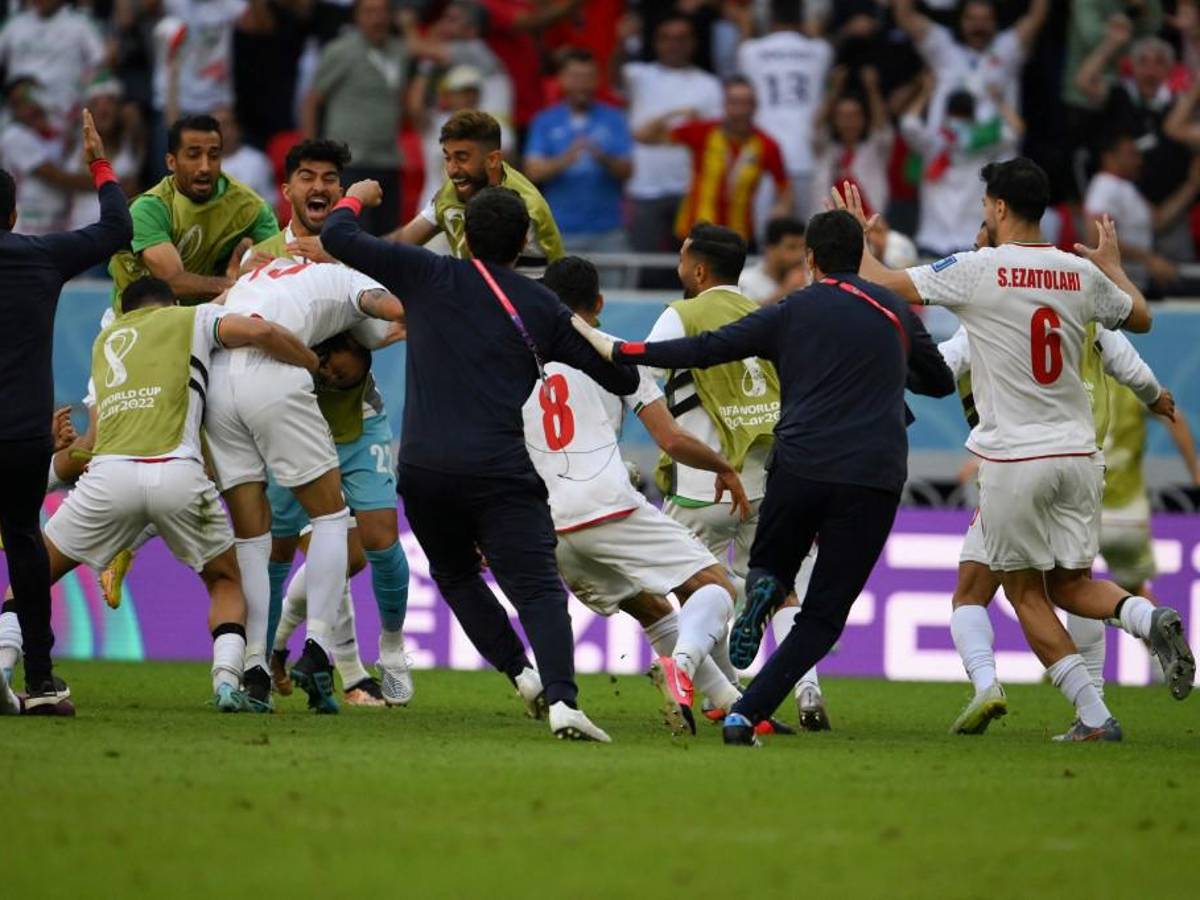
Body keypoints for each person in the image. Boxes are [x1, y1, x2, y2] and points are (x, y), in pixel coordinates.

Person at [571, 209, 955, 746]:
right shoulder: (893, 310)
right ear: (860, 257)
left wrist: (624, 349)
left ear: (811, 259)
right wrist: (886, 360)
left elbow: (708, 350)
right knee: (819, 614)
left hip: (795, 465)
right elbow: (937, 383)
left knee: (754, 574)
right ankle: (751, 709)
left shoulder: (791, 309)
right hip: (873, 474)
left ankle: (751, 611)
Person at [848, 159, 1195, 740]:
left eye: (986, 203)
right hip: (1079, 457)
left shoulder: (978, 269)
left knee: (1024, 593)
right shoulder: (1075, 272)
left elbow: (883, 284)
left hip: (1015, 458)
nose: (983, 211)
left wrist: (856, 239)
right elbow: (1142, 318)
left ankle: (1094, 716)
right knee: (1072, 585)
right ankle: (1146, 615)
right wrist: (1114, 269)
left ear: (1000, 208)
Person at [321, 182, 641, 742]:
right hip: (498, 471)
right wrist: (574, 330)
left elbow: (337, 235)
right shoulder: (540, 305)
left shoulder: (425, 273)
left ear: (462, 236)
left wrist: (356, 195)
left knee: (456, 574)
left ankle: (521, 675)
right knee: (538, 589)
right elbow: (623, 377)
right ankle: (564, 702)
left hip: (423, 470)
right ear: (522, 243)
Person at [8, 276, 319, 718]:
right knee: (226, 581)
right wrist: (309, 362)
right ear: (170, 302)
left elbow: (89, 447)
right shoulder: (190, 317)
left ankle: (3, 667)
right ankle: (228, 682)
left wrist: (66, 451)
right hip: (177, 472)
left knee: (30, 573)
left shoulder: (105, 342)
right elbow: (262, 332)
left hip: (108, 477)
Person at [526, 256, 773, 737]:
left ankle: (730, 702)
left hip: (550, 525)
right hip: (606, 506)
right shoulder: (616, 355)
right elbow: (672, 439)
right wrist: (724, 465)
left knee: (652, 609)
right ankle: (679, 665)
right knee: (713, 588)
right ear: (598, 303)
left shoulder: (515, 363)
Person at [249, 139, 413, 708]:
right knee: (276, 547)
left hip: (357, 420)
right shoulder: (259, 259)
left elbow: (392, 318)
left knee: (373, 546)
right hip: (289, 424)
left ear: (340, 193)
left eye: (329, 179)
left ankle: (390, 648)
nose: (318, 187)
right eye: (306, 177)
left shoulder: (358, 252)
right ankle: (261, 660)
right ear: (288, 189)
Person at [204, 260, 406, 714]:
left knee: (252, 538)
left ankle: (253, 667)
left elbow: (205, 317)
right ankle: (318, 647)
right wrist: (310, 361)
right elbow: (392, 308)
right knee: (331, 518)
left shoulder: (253, 277)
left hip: (219, 385)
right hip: (273, 374)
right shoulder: (348, 280)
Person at [0, 110, 131, 712]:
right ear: (13, 214)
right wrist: (99, 164)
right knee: (25, 542)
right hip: (24, 436)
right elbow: (116, 226)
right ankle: (43, 683)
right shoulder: (41, 258)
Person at [109, 113, 279, 308]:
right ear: (171, 162)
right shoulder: (149, 209)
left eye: (213, 155)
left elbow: (277, 267)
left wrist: (252, 271)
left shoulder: (250, 207)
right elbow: (172, 281)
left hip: (200, 317)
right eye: (193, 155)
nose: (205, 167)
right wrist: (237, 283)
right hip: (135, 321)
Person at [384, 110, 564, 278]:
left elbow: (525, 294)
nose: (452, 170)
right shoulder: (454, 188)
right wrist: (360, 252)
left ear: (493, 160)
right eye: (448, 158)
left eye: (462, 158)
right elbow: (400, 242)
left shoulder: (528, 211)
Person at [620, 16, 722, 280]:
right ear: (656, 43)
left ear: (693, 43)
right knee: (646, 268)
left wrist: (653, 132)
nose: (675, 44)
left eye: (682, 38)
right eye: (667, 38)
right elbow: (638, 133)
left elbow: (711, 138)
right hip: (645, 187)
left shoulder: (709, 85)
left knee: (692, 270)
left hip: (690, 190)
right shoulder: (637, 76)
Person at [635, 76, 792, 246]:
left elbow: (784, 188)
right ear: (724, 105)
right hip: (694, 236)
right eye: (734, 102)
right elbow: (643, 136)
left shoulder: (767, 145)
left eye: (746, 103)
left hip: (738, 239)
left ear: (755, 106)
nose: (740, 110)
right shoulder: (704, 132)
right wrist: (677, 112)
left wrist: (780, 210)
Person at [302, 0, 407, 236]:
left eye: (383, 12)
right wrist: (310, 151)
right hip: (351, 161)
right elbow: (312, 100)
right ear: (356, 17)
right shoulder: (340, 51)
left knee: (389, 241)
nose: (377, 18)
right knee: (355, 240)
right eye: (369, 12)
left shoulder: (400, 51)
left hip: (389, 160)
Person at [525, 49, 633, 257]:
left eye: (588, 77)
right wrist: (566, 159)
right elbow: (532, 171)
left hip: (609, 232)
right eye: (575, 77)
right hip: (561, 231)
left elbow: (628, 171)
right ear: (562, 80)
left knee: (618, 291)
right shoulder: (545, 121)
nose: (582, 85)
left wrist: (602, 157)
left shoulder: (615, 118)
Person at [901, 73, 1022, 259]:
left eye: (962, 115)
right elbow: (1016, 129)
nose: (959, 120)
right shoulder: (936, 144)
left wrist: (926, 92)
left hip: (962, 241)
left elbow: (1017, 130)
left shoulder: (981, 145)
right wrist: (998, 100)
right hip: (937, 240)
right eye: (957, 114)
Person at [1100, 379, 1199, 598]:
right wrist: (1195, 471)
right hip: (1127, 517)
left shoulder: (1076, 377)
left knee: (1062, 588)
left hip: (1082, 512)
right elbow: (1174, 418)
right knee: (1136, 594)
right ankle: (1163, 631)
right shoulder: (1133, 382)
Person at [735, 0, 833, 221]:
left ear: (769, 18)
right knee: (808, 236)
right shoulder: (820, 50)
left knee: (767, 237)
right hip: (805, 155)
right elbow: (817, 33)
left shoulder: (750, 50)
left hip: (765, 156)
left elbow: (742, 51)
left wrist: (747, 23)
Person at [894, 0, 1049, 131]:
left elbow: (1037, 15)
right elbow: (905, 16)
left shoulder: (1008, 47)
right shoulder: (942, 44)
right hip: (947, 159)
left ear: (996, 22)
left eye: (986, 19)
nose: (978, 26)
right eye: (971, 19)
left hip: (999, 158)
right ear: (960, 20)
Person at [1083, 133, 1200, 290]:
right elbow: (1097, 238)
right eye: (1131, 155)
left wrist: (1192, 184)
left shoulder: (1127, 187)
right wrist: (1148, 260)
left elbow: (1159, 220)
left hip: (1134, 281)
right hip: (1114, 284)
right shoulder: (1105, 186)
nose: (1139, 161)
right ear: (1108, 157)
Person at [0, 0, 106, 128]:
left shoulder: (80, 25)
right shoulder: (14, 25)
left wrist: (80, 101)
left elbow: (101, 64)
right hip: (17, 118)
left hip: (63, 117)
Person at [811, 66, 893, 222]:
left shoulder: (874, 149)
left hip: (868, 225)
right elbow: (816, 127)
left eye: (854, 115)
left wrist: (872, 89)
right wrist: (834, 89)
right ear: (834, 120)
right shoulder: (825, 148)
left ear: (865, 119)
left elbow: (883, 129)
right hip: (828, 227)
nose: (848, 121)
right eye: (842, 116)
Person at [212, 106, 276, 206]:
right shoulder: (199, 165)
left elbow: (271, 205)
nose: (221, 132)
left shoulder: (257, 162)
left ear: (237, 128)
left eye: (225, 125)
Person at [738, 216, 807, 305]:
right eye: (791, 247)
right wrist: (785, 291)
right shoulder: (745, 282)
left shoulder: (809, 282)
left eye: (802, 248)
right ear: (770, 249)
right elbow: (746, 316)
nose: (799, 255)